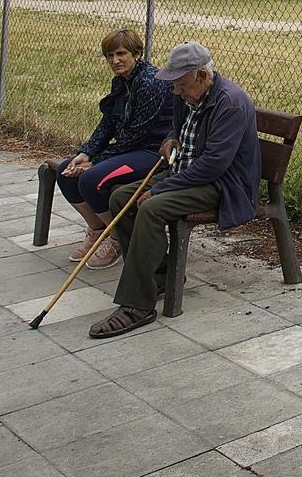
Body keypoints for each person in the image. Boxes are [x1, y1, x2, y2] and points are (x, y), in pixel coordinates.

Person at [87, 40, 260, 339]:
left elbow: (214, 165)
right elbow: (179, 131)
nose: (176, 92)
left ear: (202, 77)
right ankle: (161, 275)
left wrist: (162, 187)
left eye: (180, 84)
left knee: (152, 207)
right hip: (187, 173)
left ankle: (137, 305)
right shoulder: (187, 94)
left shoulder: (230, 103)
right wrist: (170, 139)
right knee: (120, 198)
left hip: (223, 184)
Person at [53, 27, 172, 269]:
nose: (115, 60)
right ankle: (99, 231)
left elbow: (135, 135)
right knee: (65, 171)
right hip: (131, 149)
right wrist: (85, 153)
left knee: (91, 179)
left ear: (136, 53)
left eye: (121, 54)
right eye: (109, 55)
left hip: (153, 153)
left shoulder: (151, 83)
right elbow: (108, 122)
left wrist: (95, 162)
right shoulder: (121, 81)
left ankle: (118, 239)